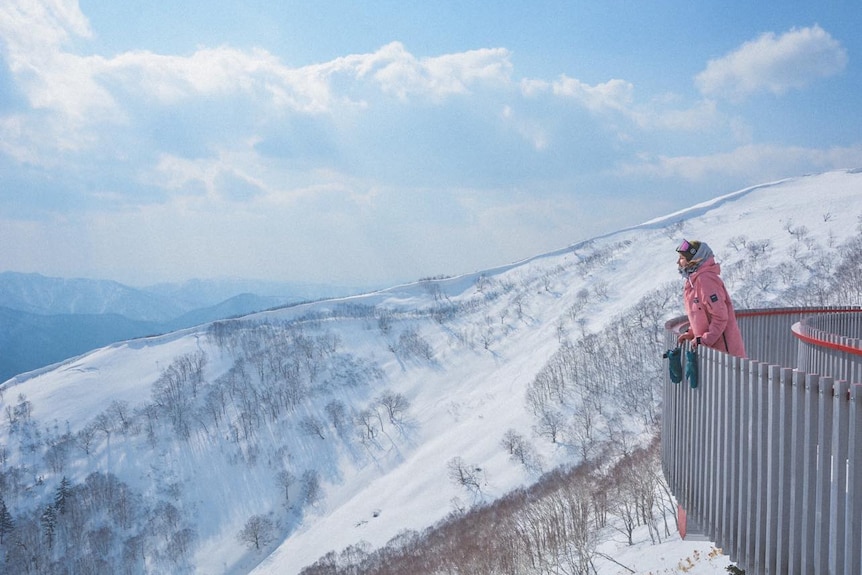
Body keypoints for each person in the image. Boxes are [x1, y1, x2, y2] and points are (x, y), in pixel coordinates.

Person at [675, 239, 746, 358]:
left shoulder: (706, 280)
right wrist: (691, 333)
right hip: (710, 354)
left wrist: (704, 341)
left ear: (694, 259)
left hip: (724, 356)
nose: (678, 262)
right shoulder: (693, 281)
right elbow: (701, 314)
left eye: (682, 258)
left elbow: (720, 317)